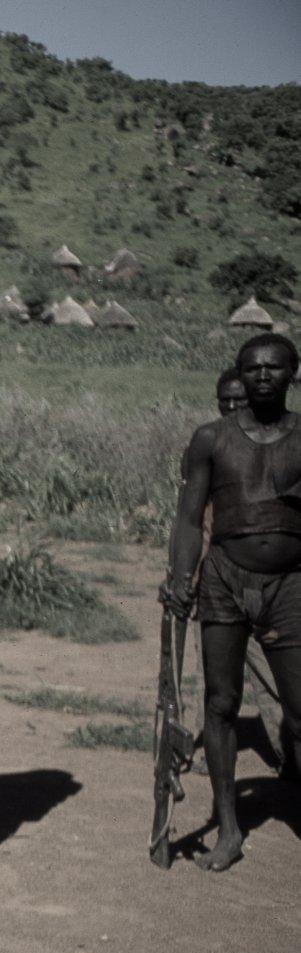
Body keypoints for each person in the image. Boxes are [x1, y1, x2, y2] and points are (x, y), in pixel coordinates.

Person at [162, 334, 301, 870]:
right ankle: (228, 828)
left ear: (293, 373)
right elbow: (189, 518)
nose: (262, 376)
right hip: (222, 580)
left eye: (274, 367)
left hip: (290, 584)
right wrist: (179, 579)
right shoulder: (209, 440)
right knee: (219, 706)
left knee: (300, 711)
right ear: (239, 376)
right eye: (252, 368)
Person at [201, 368, 293, 780]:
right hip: (219, 580)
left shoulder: (276, 447)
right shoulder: (212, 444)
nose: (233, 407)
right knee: (222, 690)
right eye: (226, 401)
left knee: (277, 681)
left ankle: (286, 756)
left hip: (271, 583)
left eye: (239, 400)